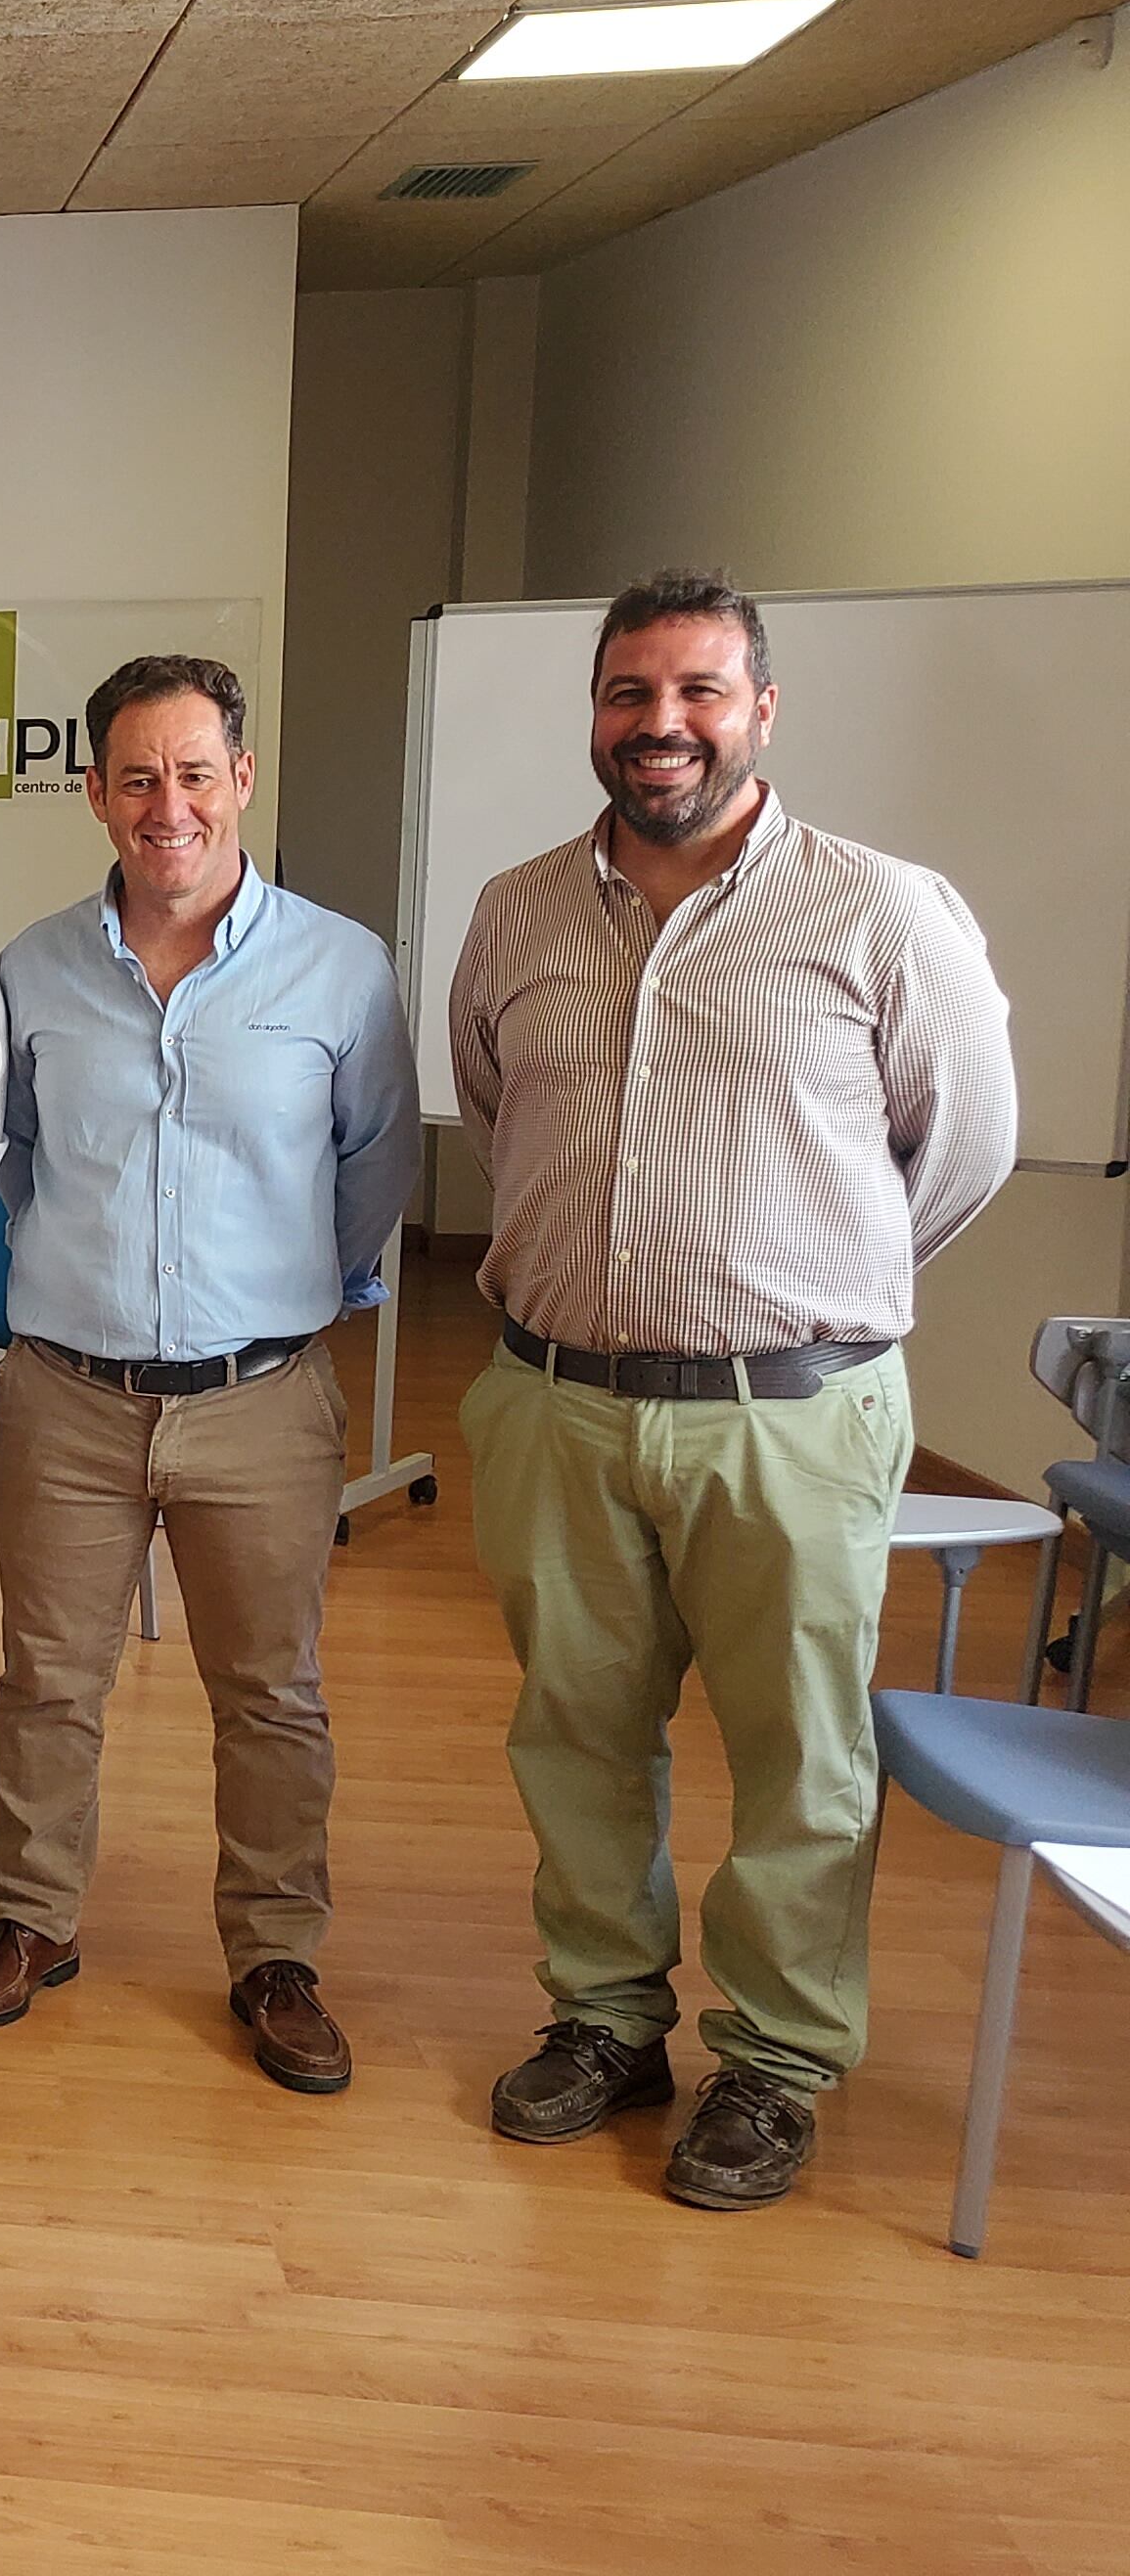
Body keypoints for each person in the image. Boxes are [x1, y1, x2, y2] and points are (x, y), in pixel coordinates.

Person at [453, 571, 1015, 2210]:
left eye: (697, 690)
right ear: (595, 713)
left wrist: (796, 1288)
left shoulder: (881, 910)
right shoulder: (516, 910)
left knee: (796, 1753)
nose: (660, 724)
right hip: (559, 1401)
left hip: (793, 1412)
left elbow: (957, 1148)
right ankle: (604, 2017)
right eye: (629, 692)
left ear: (759, 708)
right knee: (574, 1731)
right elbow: (500, 1114)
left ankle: (771, 2056)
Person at [0, 653, 418, 2095]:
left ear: (242, 780)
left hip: (262, 1398)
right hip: (69, 1395)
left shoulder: (341, 967)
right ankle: (33, 1918)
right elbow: (7, 1161)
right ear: (93, 791)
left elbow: (375, 1165)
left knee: (271, 1692)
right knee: (47, 1681)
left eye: (194, 773)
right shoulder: (29, 968)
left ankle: (275, 1953)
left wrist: (268, 1301)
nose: (168, 806)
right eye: (136, 777)